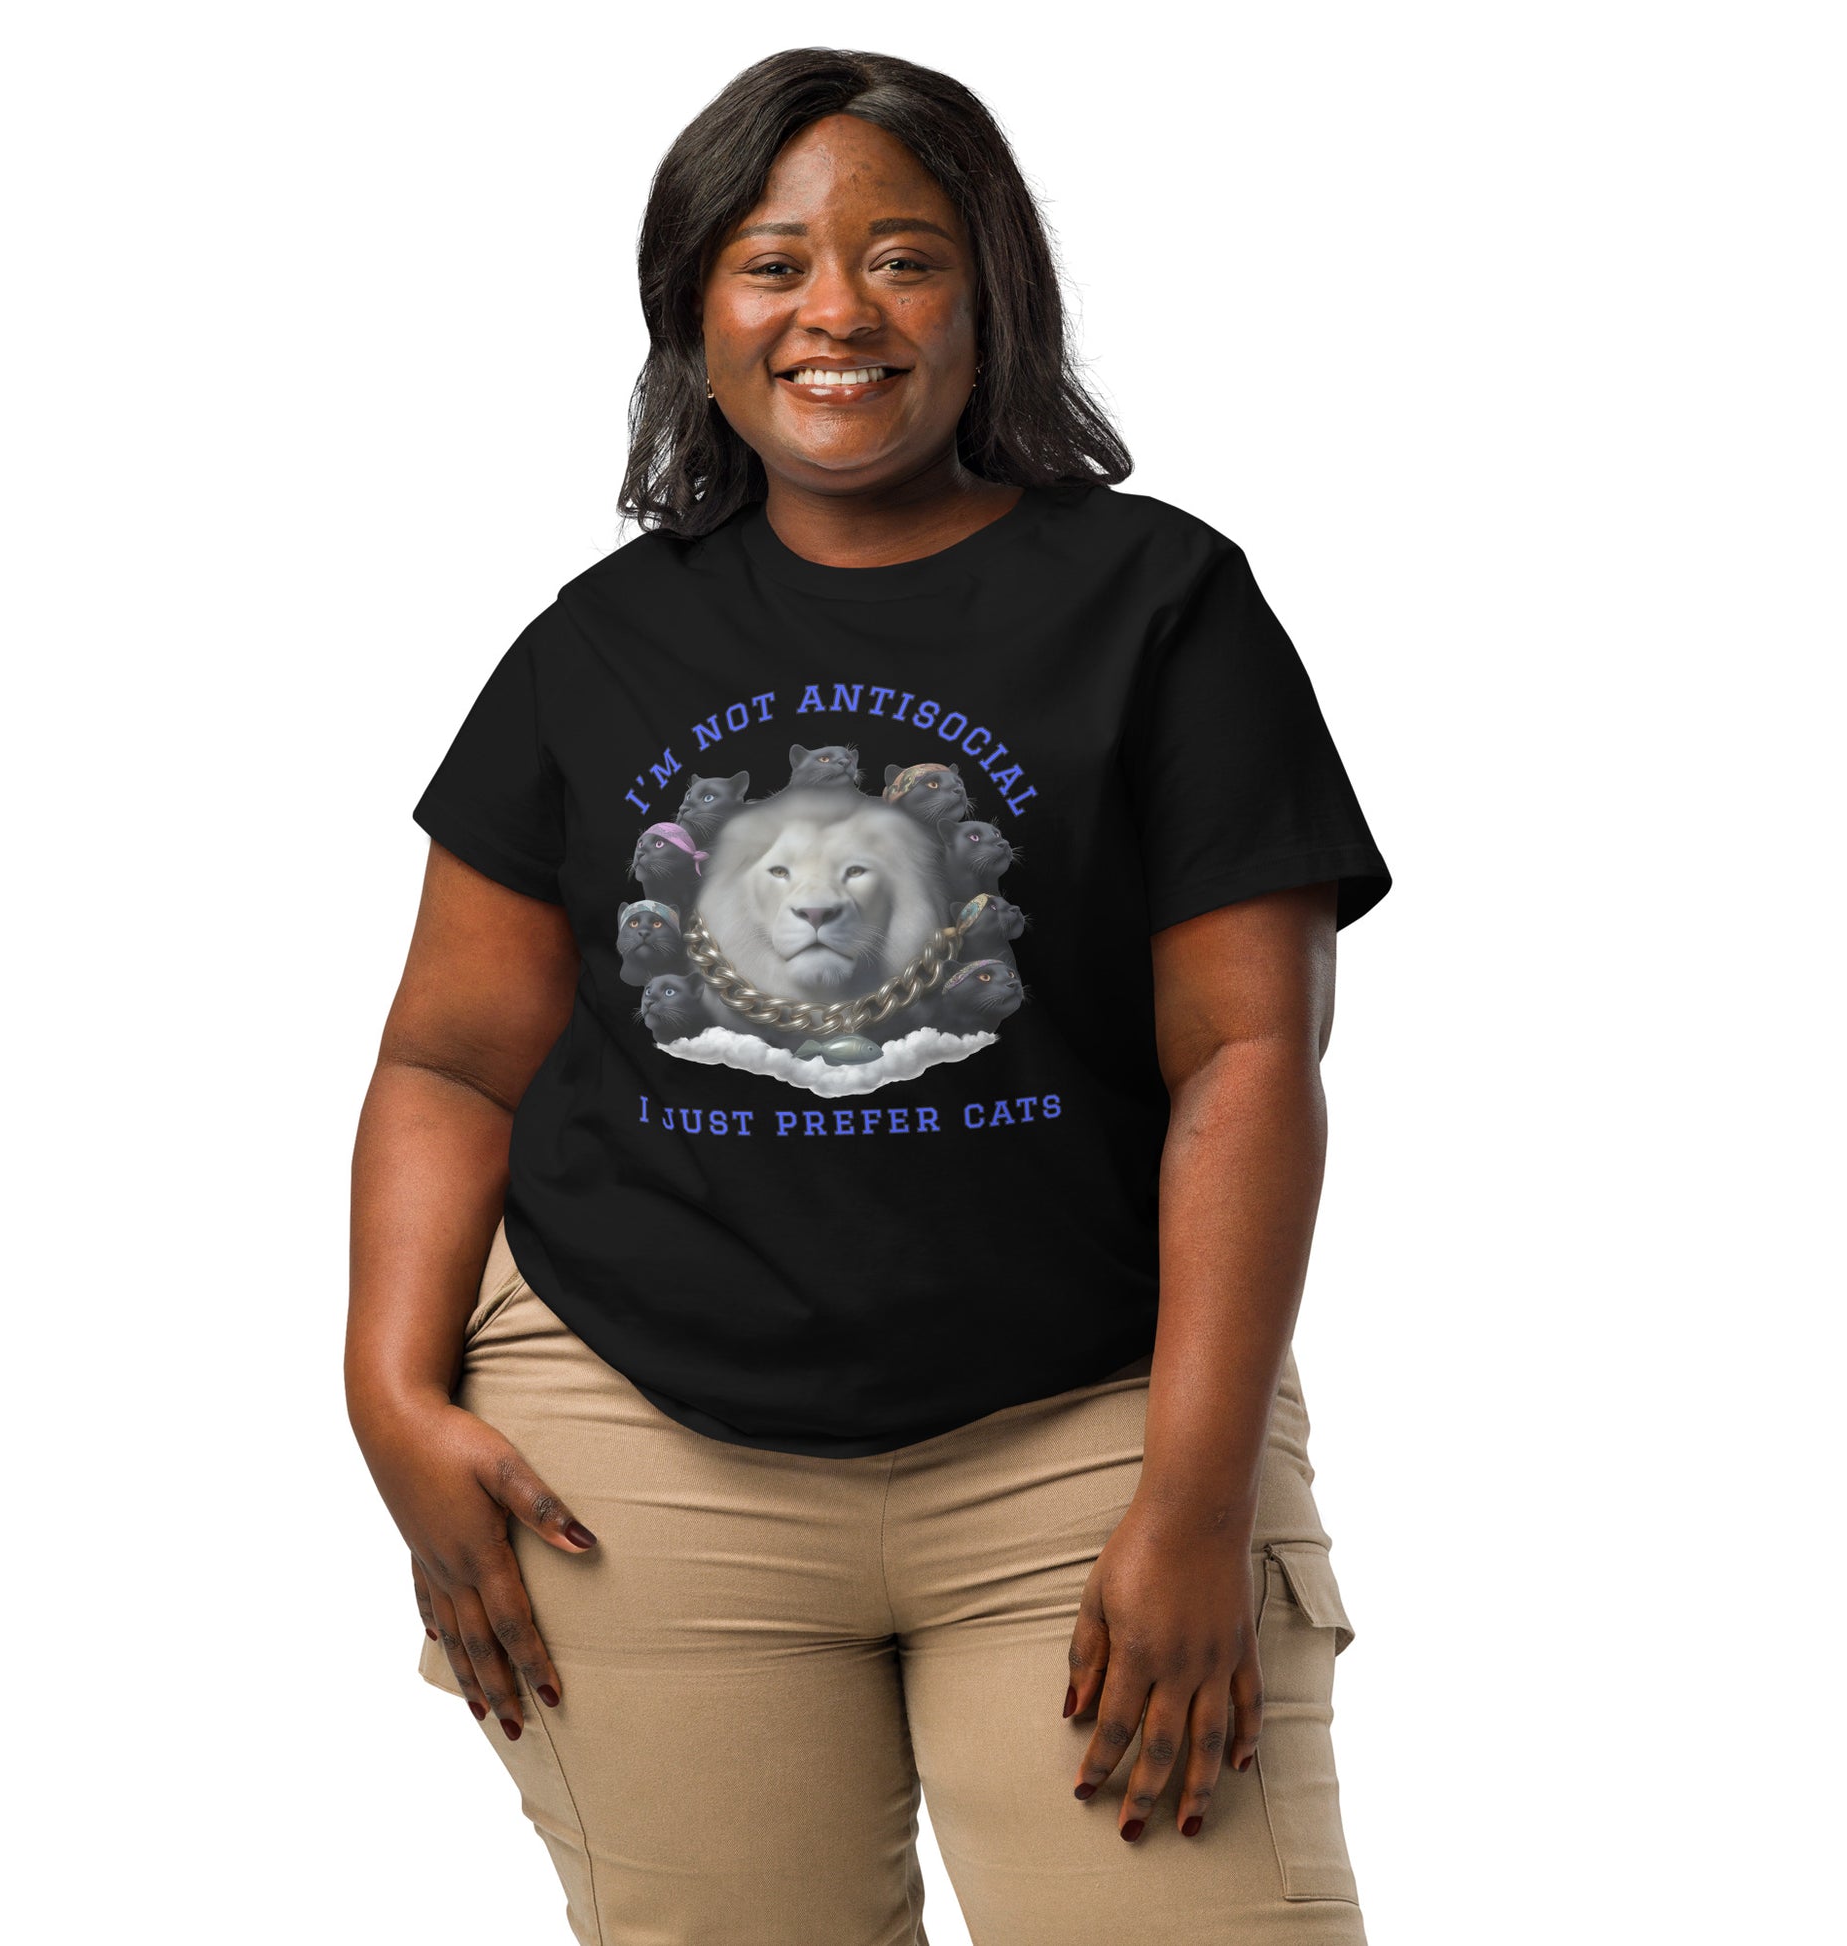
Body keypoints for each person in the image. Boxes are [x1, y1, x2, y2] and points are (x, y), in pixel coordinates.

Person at [346, 46, 1391, 1946]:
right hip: (636, 1450)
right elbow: (449, 1059)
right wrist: (386, 1389)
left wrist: (1194, 1499)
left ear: (992, 298)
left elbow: (1247, 1054)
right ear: (695, 313)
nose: (836, 311)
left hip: (1089, 1427)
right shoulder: (598, 642)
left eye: (902, 258)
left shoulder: (1160, 604)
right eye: (772, 263)